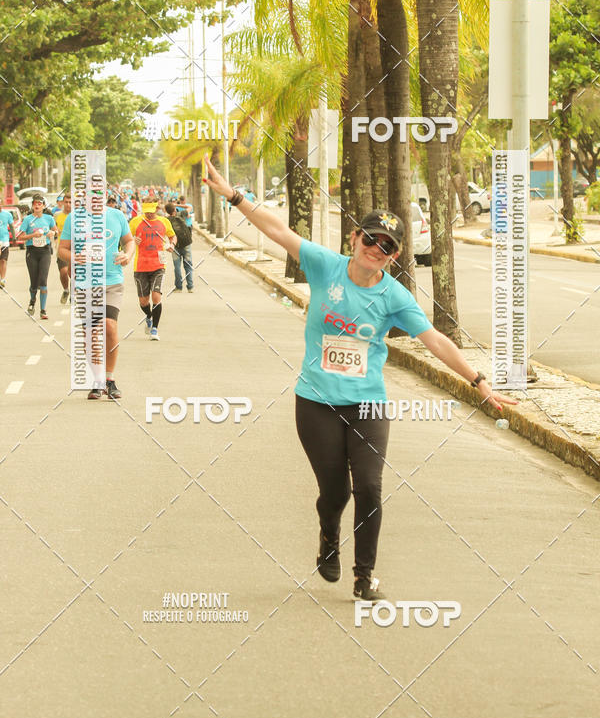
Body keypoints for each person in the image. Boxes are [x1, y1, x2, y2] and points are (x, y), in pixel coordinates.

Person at [204, 158, 517, 603]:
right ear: (355, 238)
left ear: (394, 256)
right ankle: (328, 533)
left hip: (368, 404)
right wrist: (235, 196)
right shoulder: (325, 266)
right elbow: (277, 230)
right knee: (333, 492)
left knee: (368, 486)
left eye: (387, 246)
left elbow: (436, 341)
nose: (376, 249)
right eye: (370, 238)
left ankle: (364, 575)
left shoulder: (394, 295)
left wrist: (478, 380)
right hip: (315, 402)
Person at [58, 184, 135, 400]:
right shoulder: (75, 218)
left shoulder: (117, 215)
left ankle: (110, 379)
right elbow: (62, 249)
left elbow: (129, 242)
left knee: (109, 327)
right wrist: (74, 258)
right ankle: (97, 380)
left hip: (112, 281)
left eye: (99, 194)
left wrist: (128, 255)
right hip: (85, 283)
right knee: (92, 334)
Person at [129, 200, 176, 341]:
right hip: (141, 266)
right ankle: (149, 316)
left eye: (152, 210)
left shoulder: (164, 222)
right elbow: (124, 238)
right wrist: (132, 239)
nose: (149, 213)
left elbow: (172, 236)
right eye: (146, 210)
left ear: (157, 208)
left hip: (158, 265)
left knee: (156, 296)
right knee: (143, 301)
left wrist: (172, 244)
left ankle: (154, 329)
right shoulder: (135, 222)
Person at [18, 193, 57, 320]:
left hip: (45, 251)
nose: (37, 206)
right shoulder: (28, 219)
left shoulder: (49, 218)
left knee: (43, 281)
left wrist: (52, 233)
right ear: (32, 206)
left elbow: (56, 231)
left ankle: (43, 310)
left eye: (39, 204)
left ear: (44, 206)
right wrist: (32, 236)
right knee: (34, 281)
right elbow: (20, 237)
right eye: (35, 204)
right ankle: (32, 300)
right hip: (32, 251)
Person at [165, 202, 194, 292]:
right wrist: (177, 205)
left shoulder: (167, 220)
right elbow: (189, 207)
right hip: (186, 243)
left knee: (177, 267)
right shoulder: (181, 214)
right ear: (174, 209)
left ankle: (178, 287)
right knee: (188, 266)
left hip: (175, 245)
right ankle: (190, 287)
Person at [54, 192, 72, 303]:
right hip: (62, 248)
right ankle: (66, 290)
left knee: (74, 273)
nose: (68, 204)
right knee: (64, 272)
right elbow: (51, 228)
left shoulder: (77, 216)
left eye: (71, 202)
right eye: (66, 202)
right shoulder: (57, 215)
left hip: (75, 249)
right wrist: (55, 231)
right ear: (62, 203)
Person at [0, 203, 16, 289]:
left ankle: (2, 279)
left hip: (4, 240)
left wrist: (14, 238)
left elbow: (12, 226)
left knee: (3, 260)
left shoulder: (7, 214)